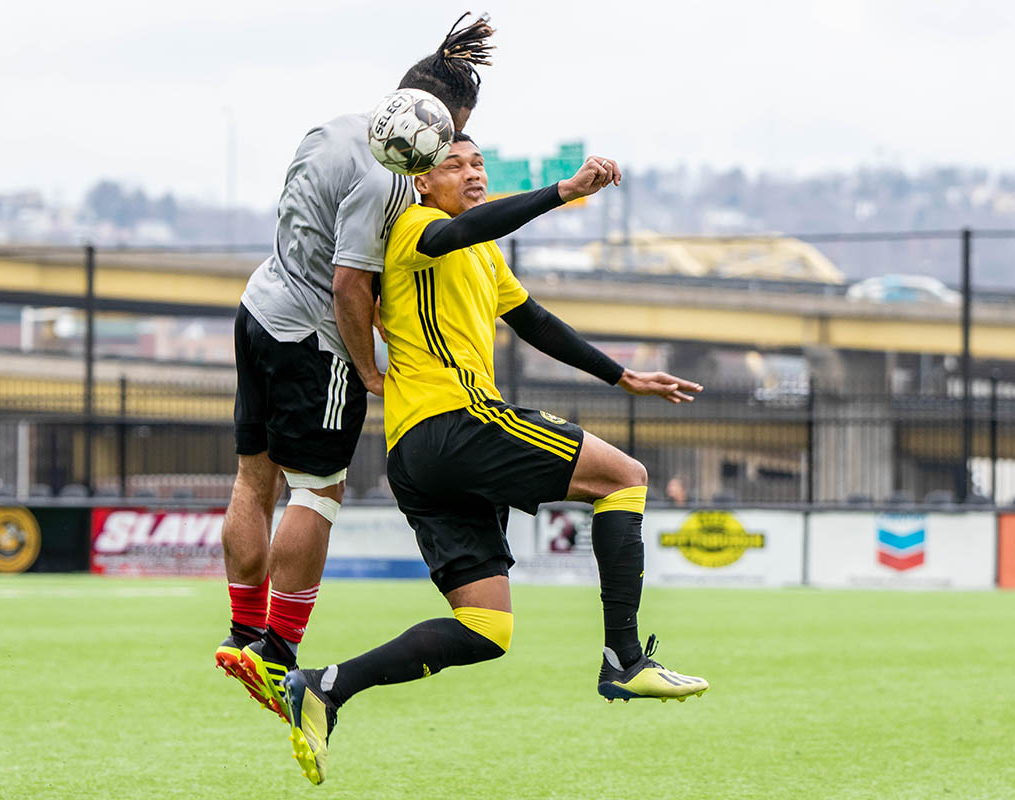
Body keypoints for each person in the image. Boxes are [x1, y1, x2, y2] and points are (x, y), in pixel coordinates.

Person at [279, 135, 710, 786]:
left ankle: (324, 687)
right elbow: (468, 228)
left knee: (485, 626)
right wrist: (563, 192)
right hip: (456, 421)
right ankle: (623, 659)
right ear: (421, 183)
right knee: (626, 477)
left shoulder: (480, 249)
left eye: (477, 162)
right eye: (452, 164)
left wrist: (621, 376)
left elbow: (533, 320)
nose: (471, 172)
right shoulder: (413, 227)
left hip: (416, 453)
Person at [215, 14, 497, 721]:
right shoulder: (393, 176)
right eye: (454, 134)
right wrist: (368, 367)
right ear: (444, 117)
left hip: (258, 306)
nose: (452, 150)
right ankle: (279, 651)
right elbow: (350, 282)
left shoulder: (334, 127)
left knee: (254, 477)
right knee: (317, 491)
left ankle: (244, 631)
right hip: (314, 340)